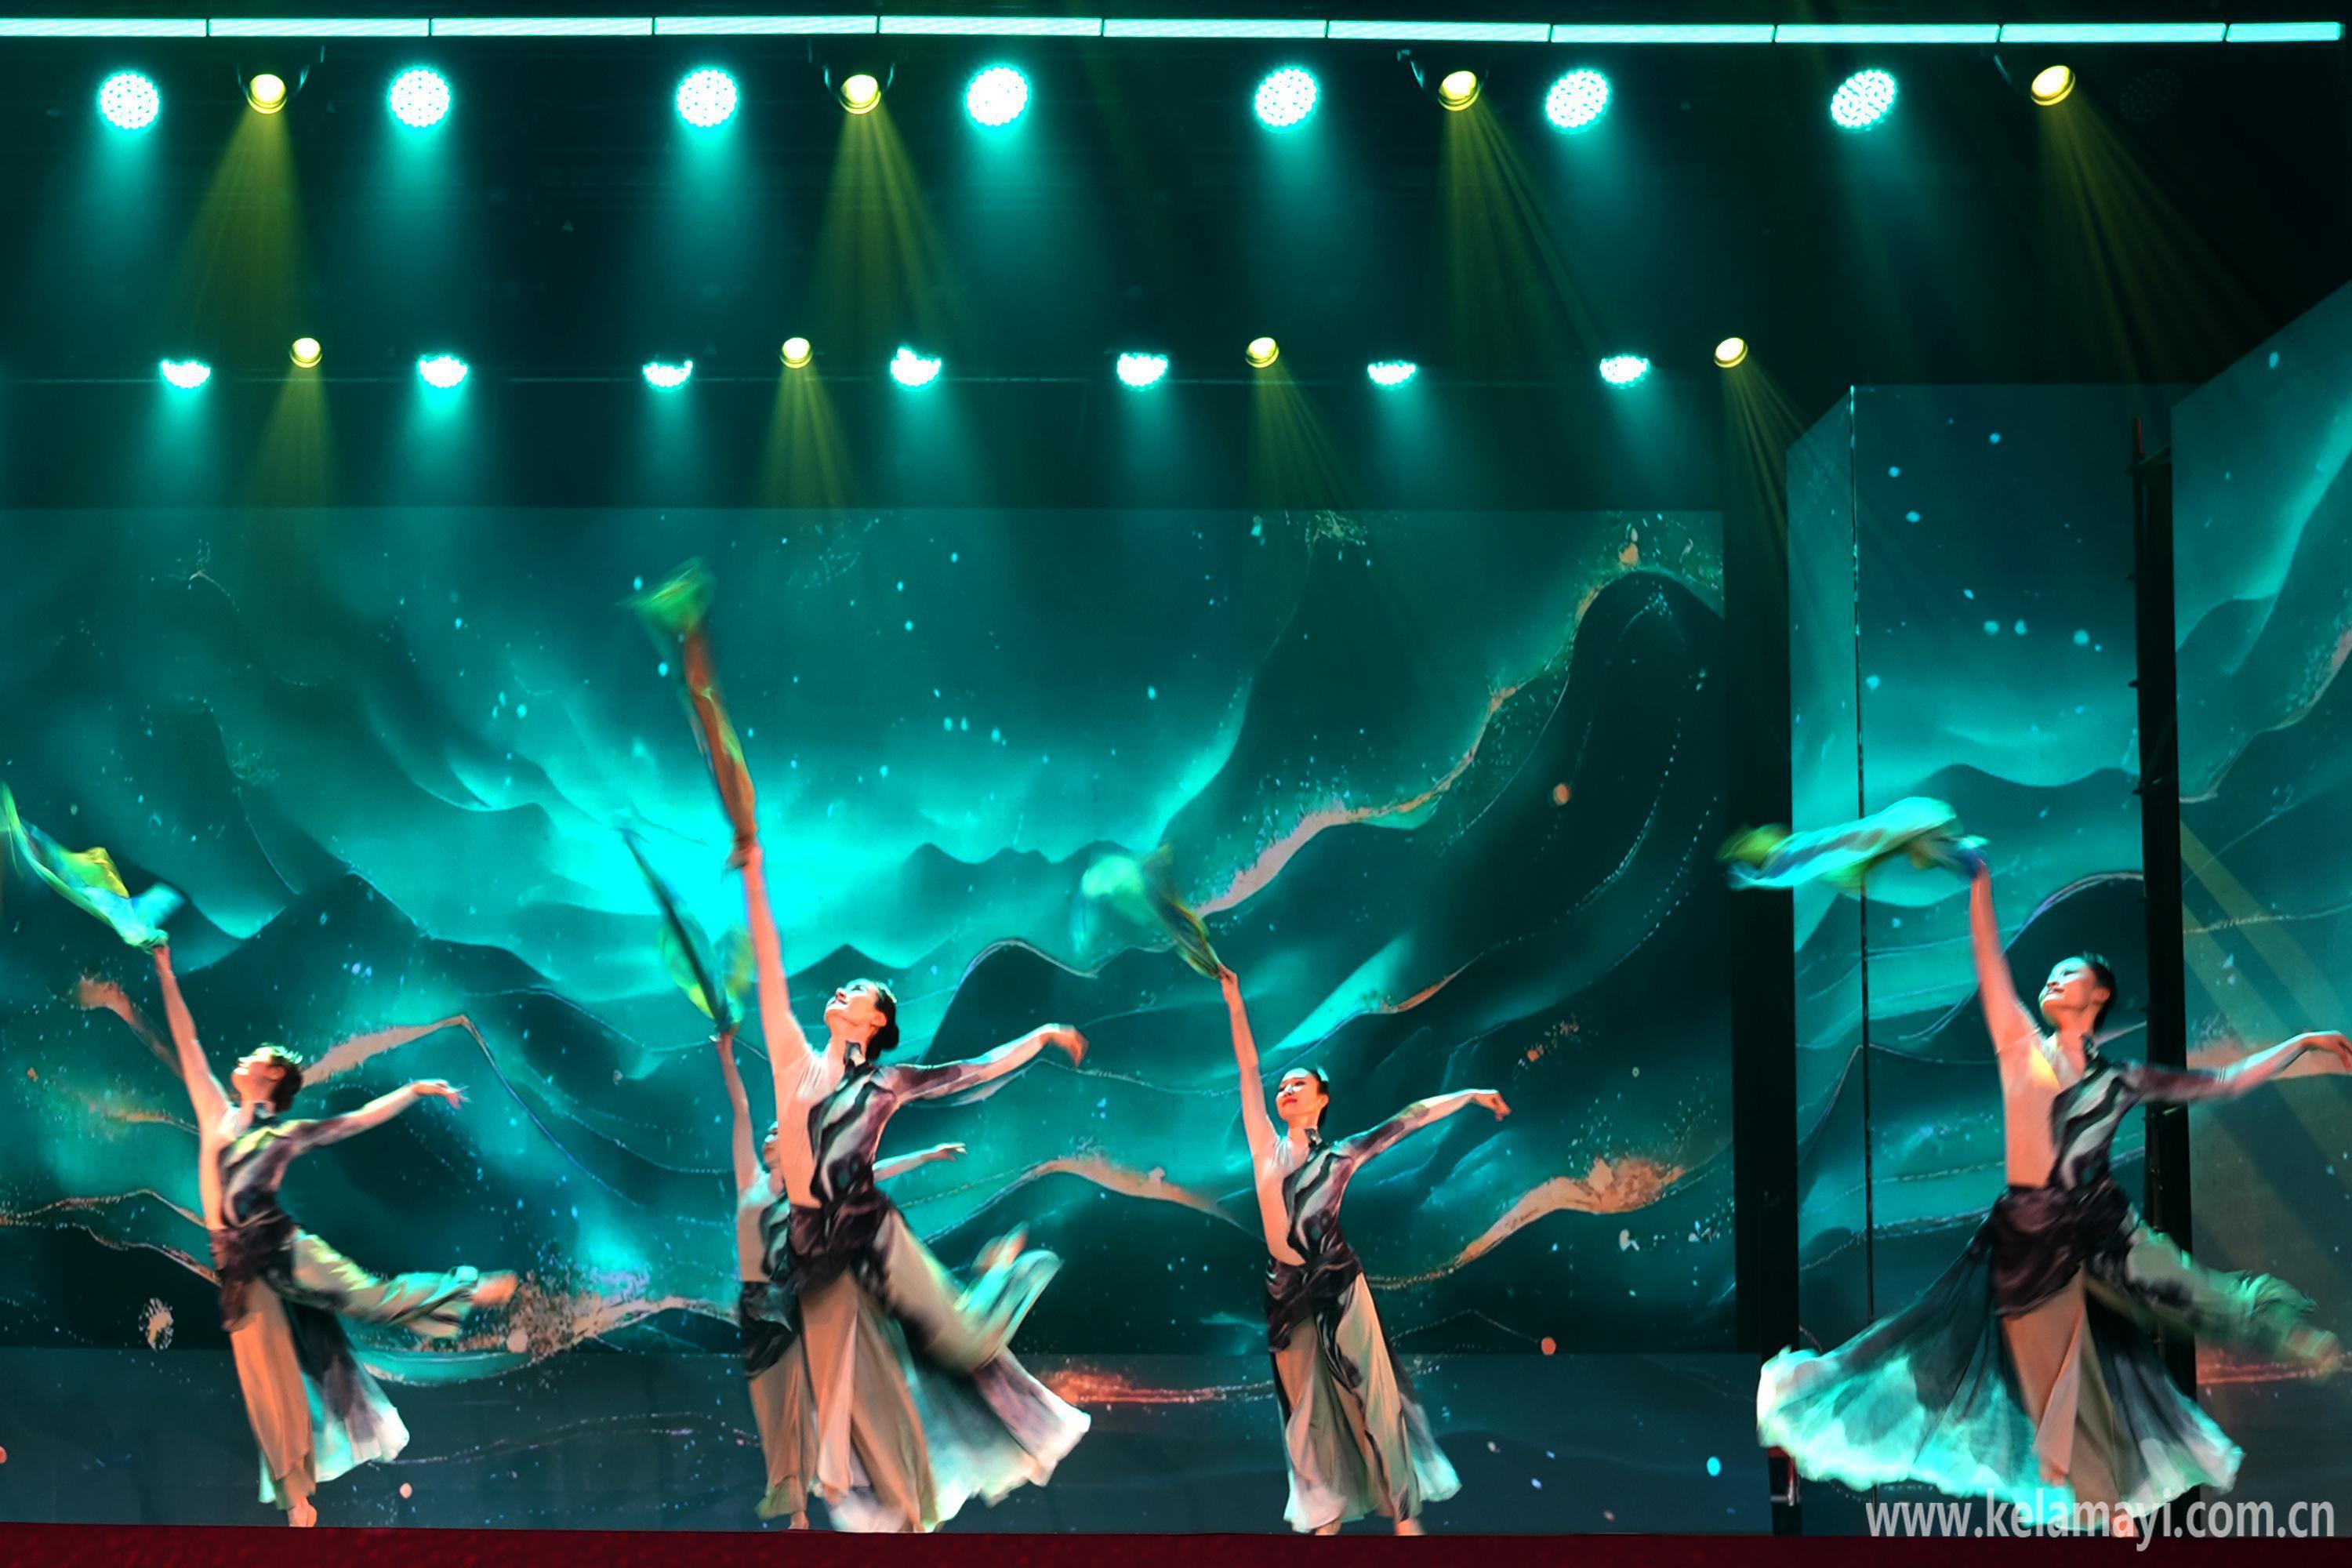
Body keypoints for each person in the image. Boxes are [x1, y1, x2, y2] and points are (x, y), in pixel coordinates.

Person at [633, 564, 1090, 1529]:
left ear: (876, 1023)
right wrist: (752, 863)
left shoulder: (887, 1082)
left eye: (859, 992)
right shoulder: (792, 1054)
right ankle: (905, 1512)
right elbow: (767, 954)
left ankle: (996, 1283)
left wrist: (1044, 1033)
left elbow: (970, 1072)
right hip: (815, 1253)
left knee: (959, 1340)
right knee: (854, 1439)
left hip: (876, 1232)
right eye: (842, 988)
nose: (840, 989)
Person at [1751, 825, 2350, 1529]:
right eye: (2051, 974)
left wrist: (2301, 1045)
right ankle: (2106, 1510)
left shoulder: (2120, 1080)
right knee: (2055, 1424)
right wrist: (1978, 882)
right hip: (2025, 1247)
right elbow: (1987, 962)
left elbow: (2221, 1081)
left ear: (2099, 997)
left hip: (2099, 1228)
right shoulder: (2019, 1046)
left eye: (2070, 975)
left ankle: (2278, 1341)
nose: (2053, 980)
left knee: (2176, 1304)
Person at [3, 791, 514, 1526]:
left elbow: (349, 1122)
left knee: (367, 1298)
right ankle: (299, 1498)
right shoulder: (215, 1108)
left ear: (268, 1081)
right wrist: (153, 976)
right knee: (267, 1377)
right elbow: (182, 1043)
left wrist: (415, 1089)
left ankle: (469, 1289)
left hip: (283, 1248)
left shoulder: (280, 1134)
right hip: (239, 1269)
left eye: (255, 1060)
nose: (241, 1059)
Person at [1215, 962, 1504, 1534]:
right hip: (1286, 1294)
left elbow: (1407, 1120)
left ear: (1321, 1099)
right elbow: (1248, 1068)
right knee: (1307, 1416)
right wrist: (1234, 1000)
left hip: (1340, 1283)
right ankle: (1327, 1518)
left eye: (1298, 1085)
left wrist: (1469, 1094)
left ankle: (1404, 1516)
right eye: (1283, 1086)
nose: (1285, 1090)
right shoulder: (1265, 1148)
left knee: (1375, 1395)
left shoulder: (1340, 1157)